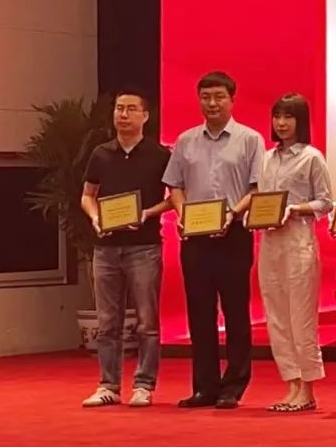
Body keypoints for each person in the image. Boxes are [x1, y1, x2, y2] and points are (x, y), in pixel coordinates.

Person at [163, 71, 265, 409]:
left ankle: (233, 385)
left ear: (232, 100)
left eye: (219, 96)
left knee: (235, 312)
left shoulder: (249, 139)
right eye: (206, 97)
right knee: (199, 312)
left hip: (234, 233)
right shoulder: (185, 141)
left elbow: (256, 188)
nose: (212, 103)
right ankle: (204, 386)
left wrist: (232, 214)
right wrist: (182, 215)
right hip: (195, 236)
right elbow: (175, 186)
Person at [79, 88, 172, 408]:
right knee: (107, 322)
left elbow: (173, 198)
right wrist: (95, 218)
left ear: (145, 116)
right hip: (105, 248)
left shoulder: (160, 155)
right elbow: (88, 195)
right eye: (119, 108)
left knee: (147, 322)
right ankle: (108, 385)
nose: (123, 114)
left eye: (131, 109)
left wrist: (147, 213)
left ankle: (144, 385)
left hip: (144, 247)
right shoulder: (101, 153)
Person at [254, 94, 332, 413]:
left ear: (301, 121)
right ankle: (292, 383)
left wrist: (294, 209)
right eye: (277, 116)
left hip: (298, 240)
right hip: (270, 242)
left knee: (301, 317)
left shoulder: (312, 157)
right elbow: (260, 198)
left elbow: (325, 202)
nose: (281, 123)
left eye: (288, 117)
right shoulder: (266, 158)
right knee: (276, 316)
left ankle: (308, 388)